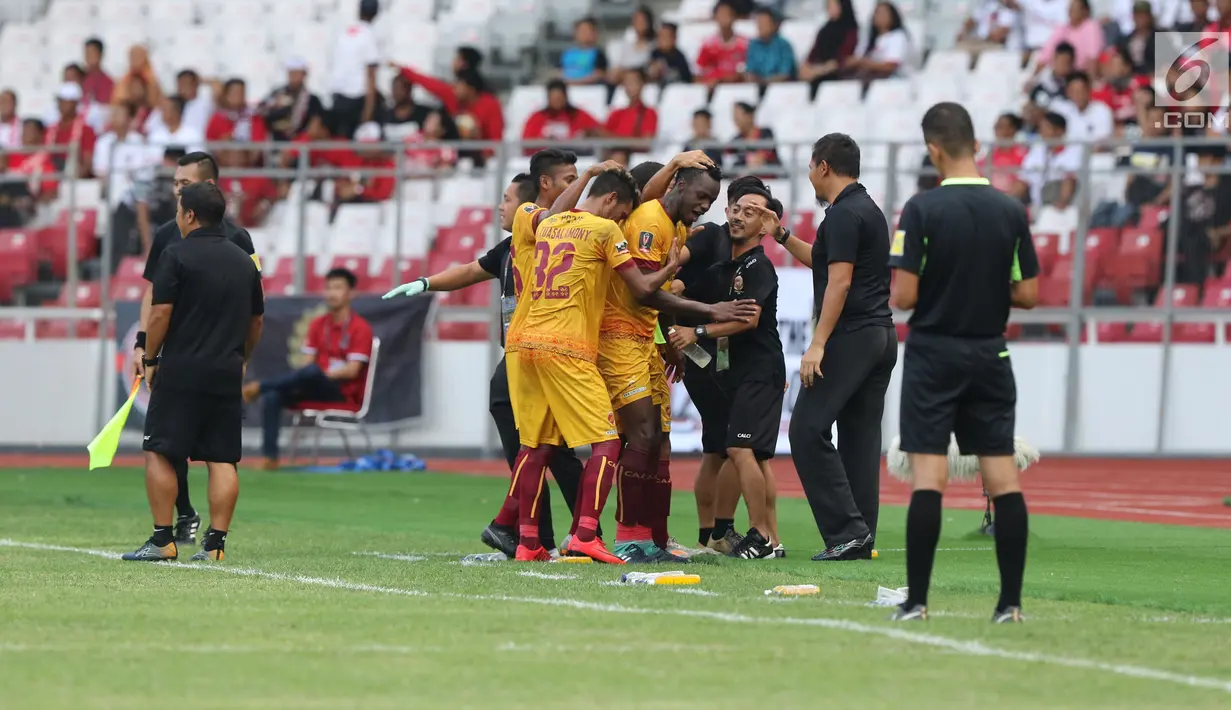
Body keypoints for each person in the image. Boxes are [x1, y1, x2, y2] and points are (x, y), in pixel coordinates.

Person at [888, 101, 1040, 623]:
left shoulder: (922, 210)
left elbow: (904, 295)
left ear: (933, 150)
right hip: (990, 352)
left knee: (929, 476)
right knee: (1002, 476)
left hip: (935, 351)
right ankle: (1010, 604)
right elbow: (1029, 293)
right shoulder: (1011, 210)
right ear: (977, 145)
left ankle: (918, 602)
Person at [383, 173, 583, 556]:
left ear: (530, 202)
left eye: (507, 199)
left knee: (543, 445)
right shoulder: (508, 248)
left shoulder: (555, 245)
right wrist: (425, 283)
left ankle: (555, 533)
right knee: (542, 448)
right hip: (520, 355)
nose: (500, 206)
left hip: (543, 354)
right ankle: (546, 535)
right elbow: (470, 271)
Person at [504, 169, 672, 563]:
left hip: (523, 341)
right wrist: (674, 262)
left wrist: (593, 174)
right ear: (611, 201)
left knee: (535, 445)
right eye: (621, 213)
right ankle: (584, 534)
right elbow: (644, 289)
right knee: (609, 440)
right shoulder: (603, 230)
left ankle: (528, 543)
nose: (619, 223)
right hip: (568, 345)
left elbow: (560, 212)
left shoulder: (547, 223)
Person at [123, 181, 264, 562]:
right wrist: (242, 357)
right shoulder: (243, 260)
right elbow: (256, 321)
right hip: (225, 371)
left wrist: (150, 359)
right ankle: (216, 544)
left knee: (160, 451)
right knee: (222, 458)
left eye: (178, 210)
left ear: (188, 215)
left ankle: (162, 540)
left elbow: (160, 313)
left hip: (182, 370)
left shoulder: (176, 254)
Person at [775, 133, 896, 561]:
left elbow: (839, 281)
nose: (809, 175)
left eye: (810, 167)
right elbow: (826, 261)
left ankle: (846, 531)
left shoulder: (843, 215)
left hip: (852, 335)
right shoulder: (867, 210)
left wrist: (818, 344)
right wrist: (782, 234)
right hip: (881, 336)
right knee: (860, 439)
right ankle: (860, 535)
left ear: (823, 166)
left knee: (806, 430)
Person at [601, 162, 729, 563]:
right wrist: (709, 310)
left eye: (711, 200)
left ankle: (654, 537)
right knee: (640, 436)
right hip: (619, 335)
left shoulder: (676, 227)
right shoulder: (648, 222)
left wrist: (672, 340)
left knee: (658, 439)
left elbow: (659, 293)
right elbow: (643, 291)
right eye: (701, 196)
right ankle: (627, 537)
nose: (705, 206)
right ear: (679, 185)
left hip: (647, 339)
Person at [652, 174, 768, 554]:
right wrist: (672, 282)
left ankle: (713, 534)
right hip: (699, 345)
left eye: (756, 209)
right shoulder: (707, 237)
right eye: (741, 206)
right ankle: (718, 532)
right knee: (728, 443)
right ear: (729, 207)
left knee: (719, 445)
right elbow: (673, 267)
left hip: (715, 346)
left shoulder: (745, 255)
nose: (746, 214)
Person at [241, 269, 373, 470]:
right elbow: (306, 363)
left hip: (341, 392)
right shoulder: (318, 324)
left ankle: (259, 386)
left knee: (312, 372)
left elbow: (352, 370)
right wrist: (311, 376)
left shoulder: (360, 327)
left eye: (338, 288)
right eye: (328, 288)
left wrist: (322, 373)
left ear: (351, 293)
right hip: (314, 384)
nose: (331, 293)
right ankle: (270, 458)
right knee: (273, 396)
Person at [330, 0, 382, 138]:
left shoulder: (344, 33)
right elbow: (371, 74)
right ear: (376, 14)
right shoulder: (369, 35)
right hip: (356, 96)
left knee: (339, 141)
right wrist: (369, 109)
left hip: (338, 94)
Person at [260, 57, 326, 142]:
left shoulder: (313, 100)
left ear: (304, 75)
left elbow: (315, 125)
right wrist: (274, 105)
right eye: (291, 73)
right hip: (275, 141)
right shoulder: (276, 94)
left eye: (297, 73)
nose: (293, 77)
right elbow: (260, 110)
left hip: (301, 145)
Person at [800, 0, 860, 89]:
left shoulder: (850, 29)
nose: (829, 8)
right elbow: (813, 53)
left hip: (836, 73)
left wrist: (820, 70)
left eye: (833, 5)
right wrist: (806, 67)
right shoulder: (824, 29)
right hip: (818, 69)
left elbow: (843, 58)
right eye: (828, 5)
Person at [698, 1, 749, 86]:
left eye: (727, 14)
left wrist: (724, 79)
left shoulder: (744, 44)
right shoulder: (708, 44)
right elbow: (700, 71)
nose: (725, 18)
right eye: (721, 15)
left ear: (734, 17)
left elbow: (746, 71)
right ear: (715, 18)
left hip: (738, 87)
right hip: (714, 89)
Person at [745, 7, 797, 84]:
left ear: (774, 25)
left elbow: (785, 74)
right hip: (757, 86)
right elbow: (750, 71)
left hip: (780, 88)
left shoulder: (784, 46)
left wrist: (765, 81)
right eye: (758, 23)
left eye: (764, 23)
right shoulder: (753, 45)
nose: (760, 26)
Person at [559, 17, 608, 85]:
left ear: (595, 33)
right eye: (580, 31)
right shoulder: (567, 53)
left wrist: (575, 82)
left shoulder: (598, 54)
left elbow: (599, 74)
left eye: (586, 31)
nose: (583, 34)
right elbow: (558, 71)